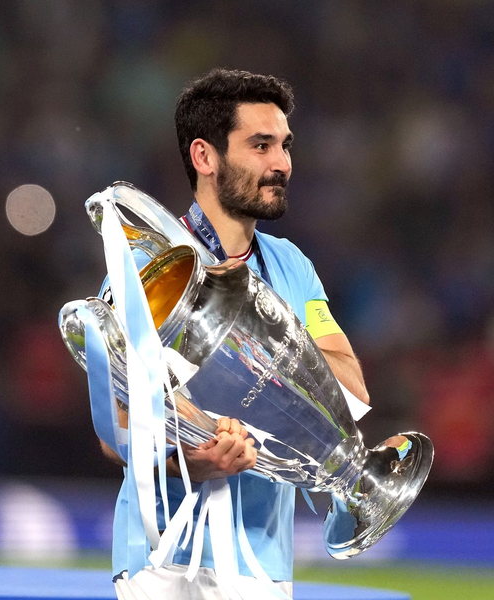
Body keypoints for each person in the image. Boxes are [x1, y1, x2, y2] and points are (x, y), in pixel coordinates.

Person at [100, 69, 370, 599]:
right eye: (261, 145)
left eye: (285, 146)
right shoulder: (145, 268)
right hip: (161, 559)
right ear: (205, 157)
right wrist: (190, 459)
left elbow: (352, 390)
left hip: (264, 565)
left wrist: (259, 343)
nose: (282, 164)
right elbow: (116, 424)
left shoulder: (291, 265)